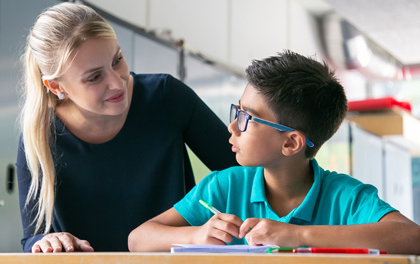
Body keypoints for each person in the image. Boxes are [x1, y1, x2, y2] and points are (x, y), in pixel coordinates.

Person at [128, 50, 420, 254]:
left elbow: (412, 237)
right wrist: (195, 234)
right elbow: (138, 239)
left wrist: (296, 235)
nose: (232, 127)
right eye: (236, 111)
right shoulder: (225, 186)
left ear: (291, 143)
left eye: (246, 118)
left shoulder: (346, 198)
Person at [16, 2, 237, 253]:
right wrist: (46, 242)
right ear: (57, 87)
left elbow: (246, 172)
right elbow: (32, 239)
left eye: (117, 60)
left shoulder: (166, 97)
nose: (116, 82)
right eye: (94, 77)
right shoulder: (40, 135)